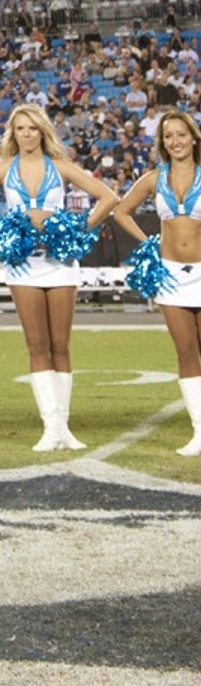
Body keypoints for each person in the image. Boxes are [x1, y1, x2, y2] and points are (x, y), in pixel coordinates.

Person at [0, 103, 117, 452]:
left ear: (43, 131)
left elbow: (108, 198)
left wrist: (79, 230)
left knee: (60, 343)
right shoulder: (3, 168)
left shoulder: (61, 166)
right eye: (20, 129)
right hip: (23, 264)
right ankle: (50, 427)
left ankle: (64, 426)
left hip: (60, 262)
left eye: (32, 128)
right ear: (13, 133)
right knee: (36, 343)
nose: (27, 134)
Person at [111, 109, 201, 454]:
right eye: (168, 136)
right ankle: (199, 431)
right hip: (171, 275)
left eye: (181, 134)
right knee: (185, 352)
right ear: (162, 142)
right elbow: (120, 211)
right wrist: (147, 242)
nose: (175, 141)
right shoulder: (154, 178)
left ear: (193, 137)